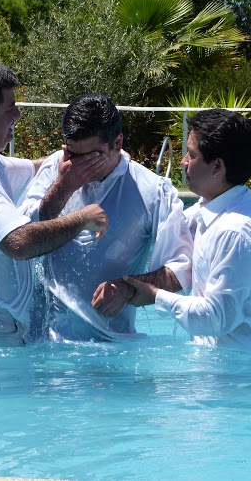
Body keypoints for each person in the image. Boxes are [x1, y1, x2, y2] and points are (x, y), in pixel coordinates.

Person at [0, 60, 109, 347]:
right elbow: (19, 244)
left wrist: (91, 153)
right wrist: (82, 219)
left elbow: (38, 167)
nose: (17, 114)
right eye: (10, 108)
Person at [20, 93, 193, 342]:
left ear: (117, 142)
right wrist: (64, 186)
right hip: (41, 340)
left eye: (91, 157)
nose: (79, 165)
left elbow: (182, 269)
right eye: (73, 154)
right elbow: (22, 237)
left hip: (108, 346)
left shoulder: (153, 191)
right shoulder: (57, 167)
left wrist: (127, 288)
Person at [123, 108, 251, 351]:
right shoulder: (220, 203)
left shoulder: (234, 231)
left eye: (192, 155)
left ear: (217, 167)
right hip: (227, 357)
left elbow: (218, 318)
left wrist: (156, 296)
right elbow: (171, 221)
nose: (183, 161)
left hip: (245, 363)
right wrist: (126, 169)